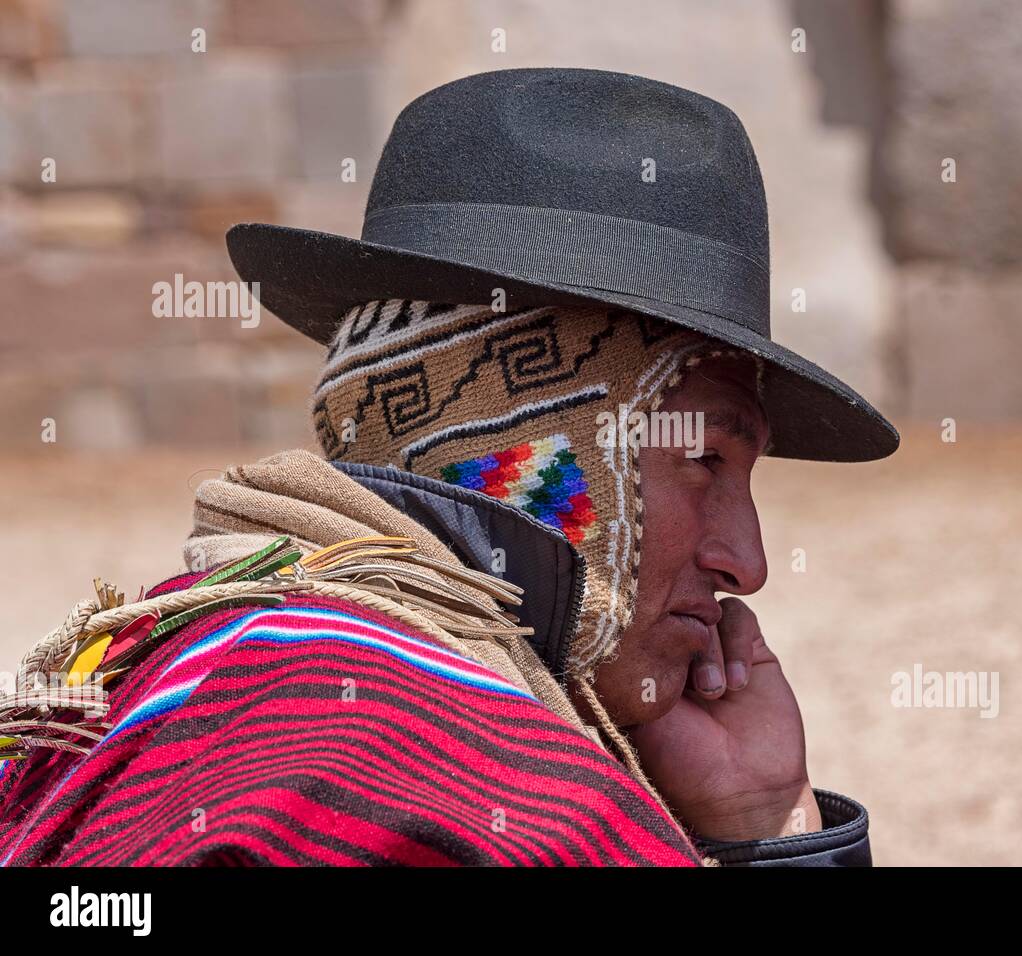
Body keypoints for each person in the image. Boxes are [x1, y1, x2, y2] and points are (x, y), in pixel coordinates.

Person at [0, 67, 898, 866]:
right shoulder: (433, 788)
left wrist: (758, 815)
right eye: (704, 457)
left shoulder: (189, 668)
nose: (749, 562)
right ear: (529, 449)